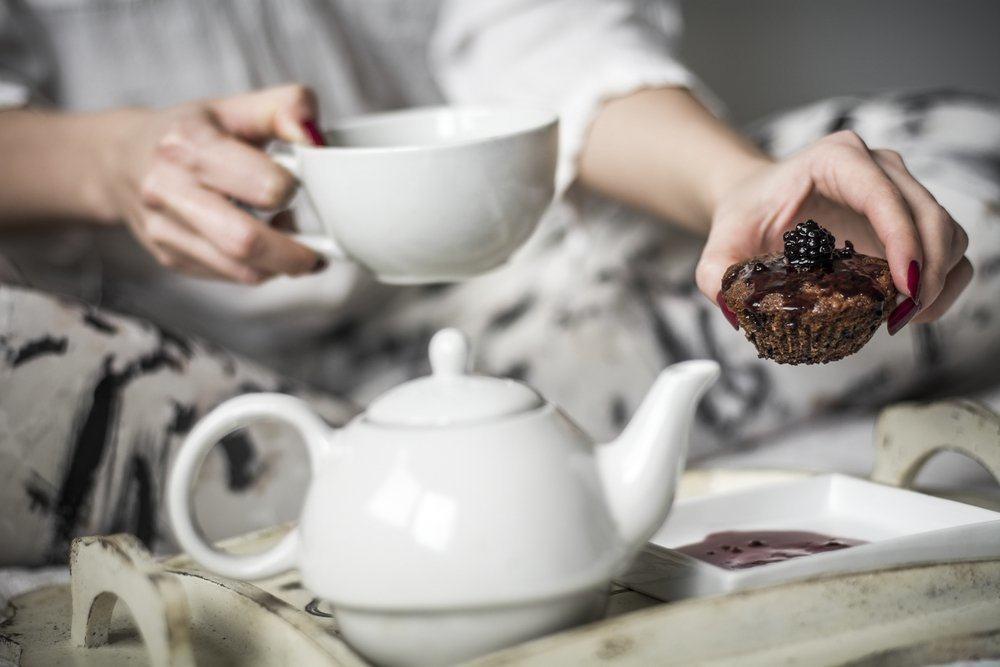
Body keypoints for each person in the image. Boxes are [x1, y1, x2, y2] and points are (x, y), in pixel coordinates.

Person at [1, 0, 997, 566]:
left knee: (966, 164)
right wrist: (115, 160)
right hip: (146, 351)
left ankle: (395, 485)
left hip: (507, 294)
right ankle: (455, 464)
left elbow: (550, 43)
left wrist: (737, 189)